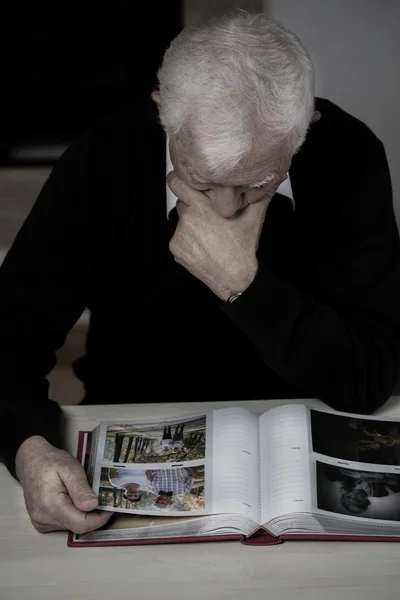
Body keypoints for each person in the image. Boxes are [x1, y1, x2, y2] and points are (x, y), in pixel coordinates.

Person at [1, 11, 400, 536]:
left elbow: (370, 377)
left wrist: (244, 285)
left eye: (260, 183)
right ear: (163, 110)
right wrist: (27, 447)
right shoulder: (103, 159)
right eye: (202, 180)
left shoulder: (350, 153)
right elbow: (8, 340)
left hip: (298, 440)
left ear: (306, 127)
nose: (228, 210)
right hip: (131, 427)